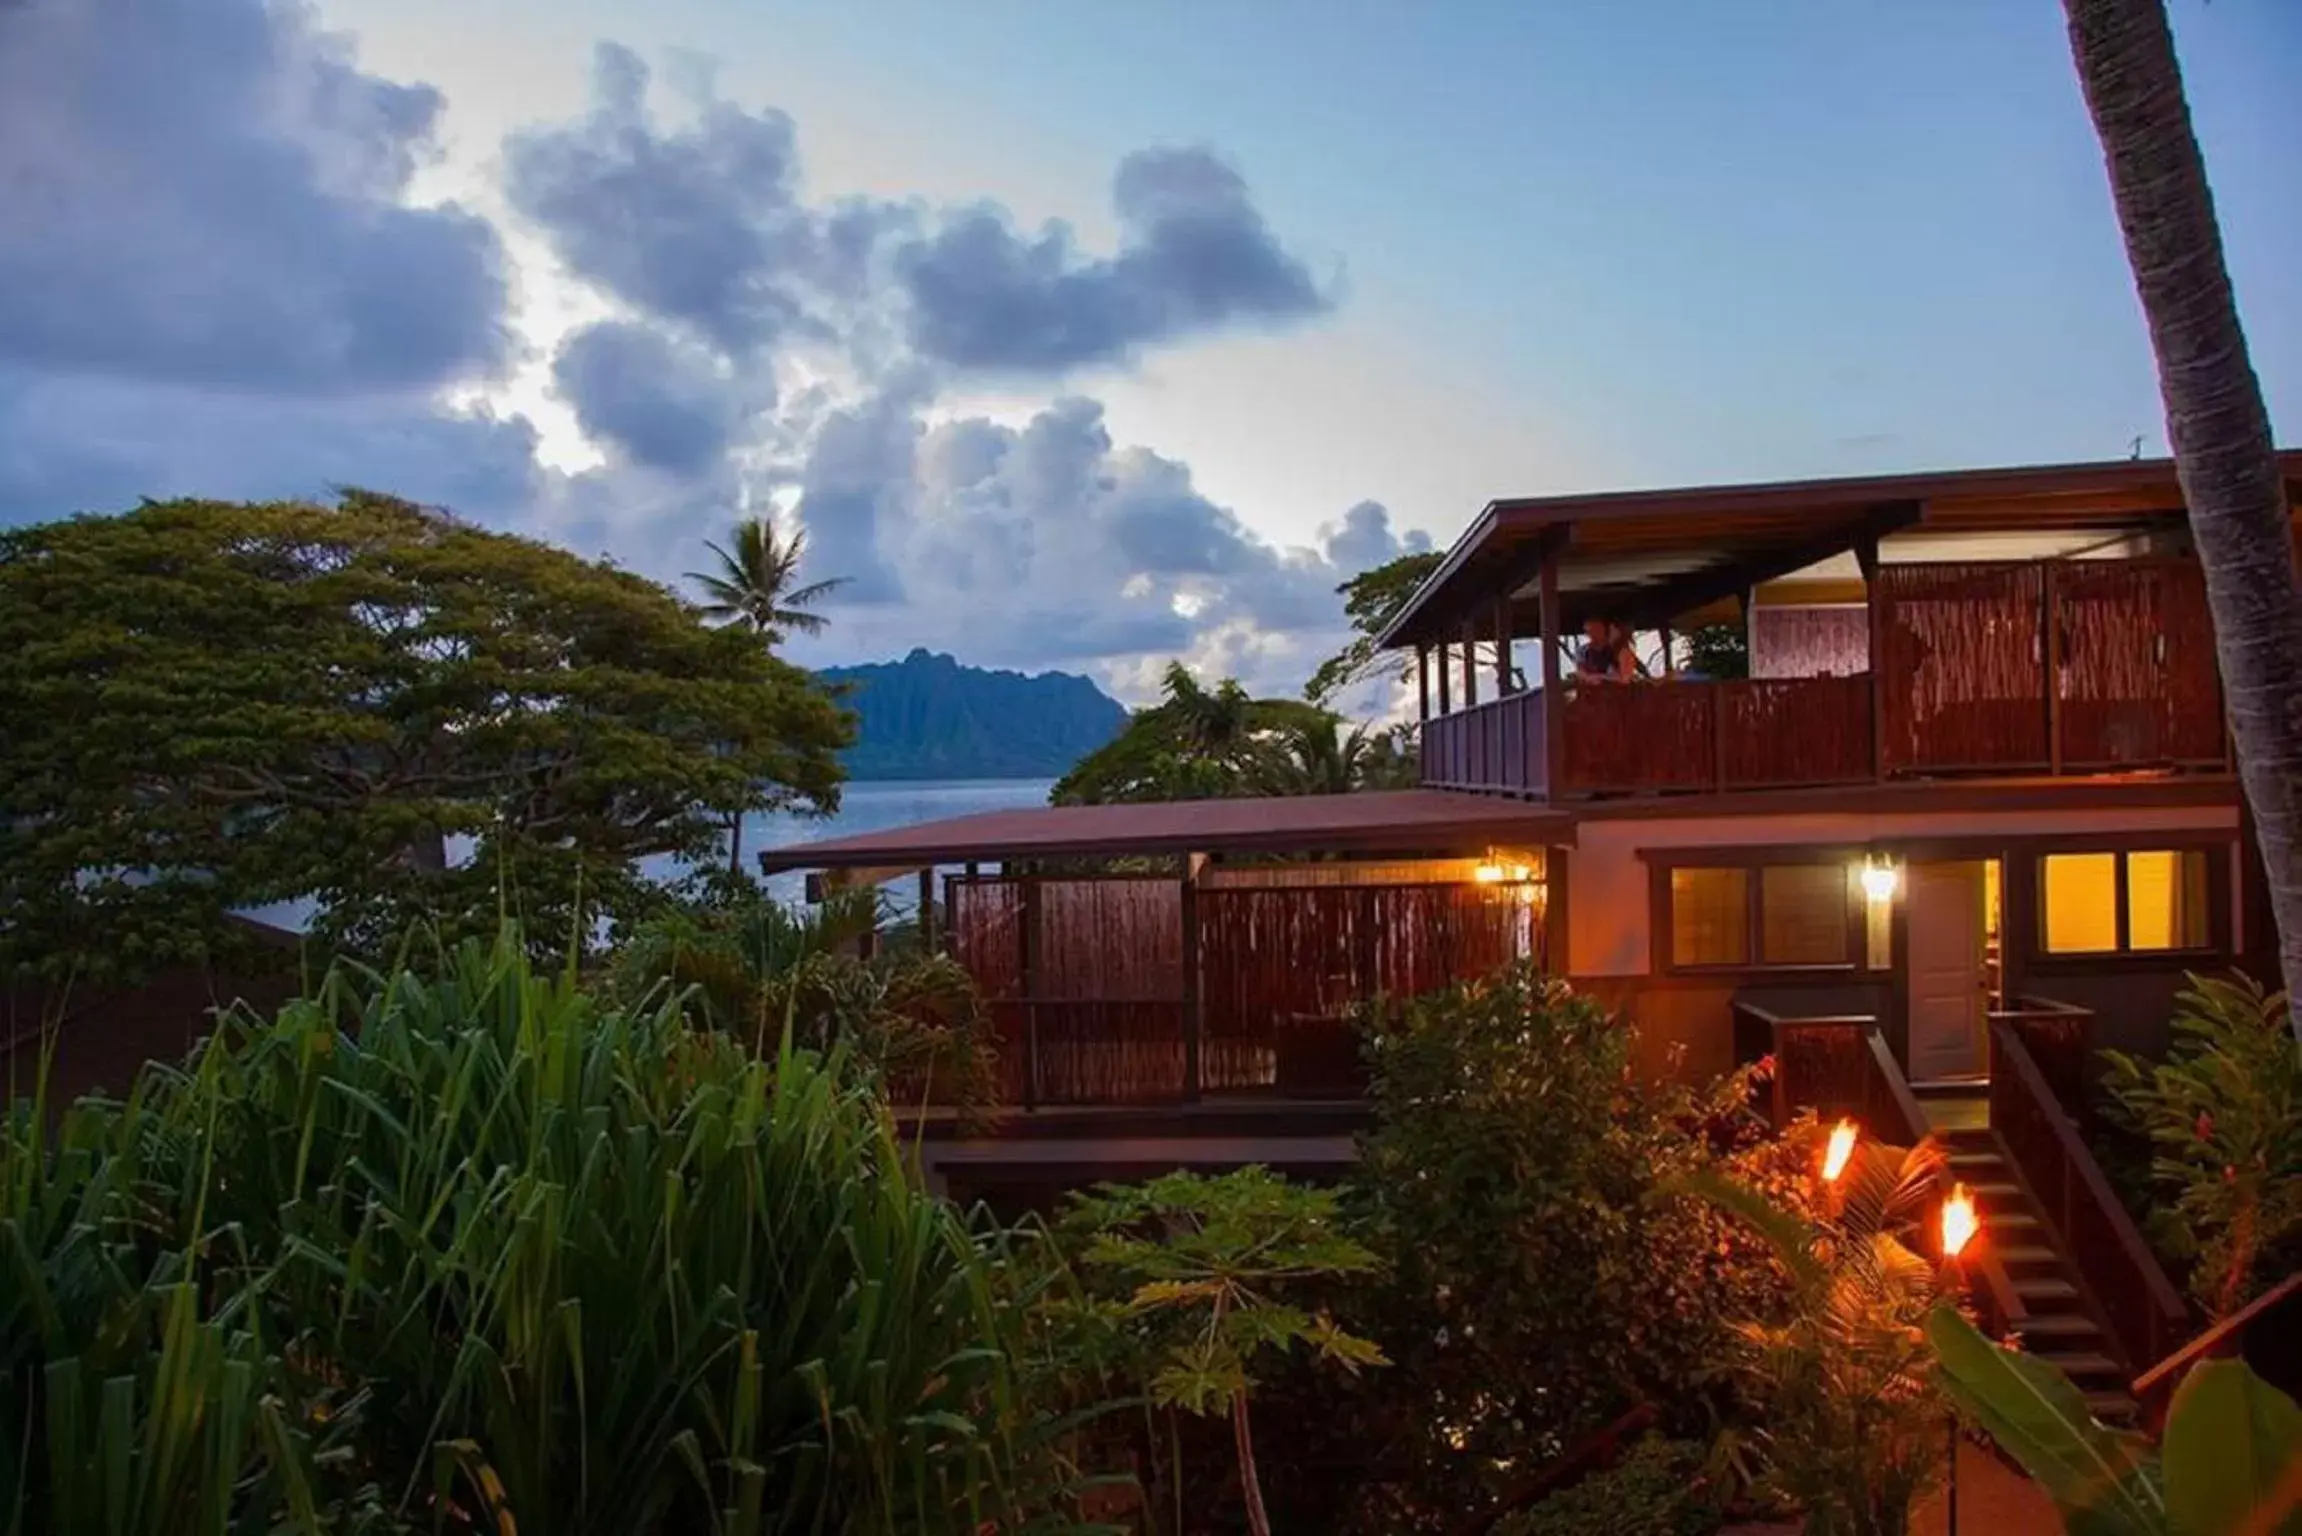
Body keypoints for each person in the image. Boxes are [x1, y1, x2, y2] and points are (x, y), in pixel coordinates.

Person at [1575, 617, 1637, 684]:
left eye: (1596, 629)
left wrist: (1600, 677)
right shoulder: (1583, 651)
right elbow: (1581, 672)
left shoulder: (1623, 652)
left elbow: (1625, 679)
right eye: (1588, 631)